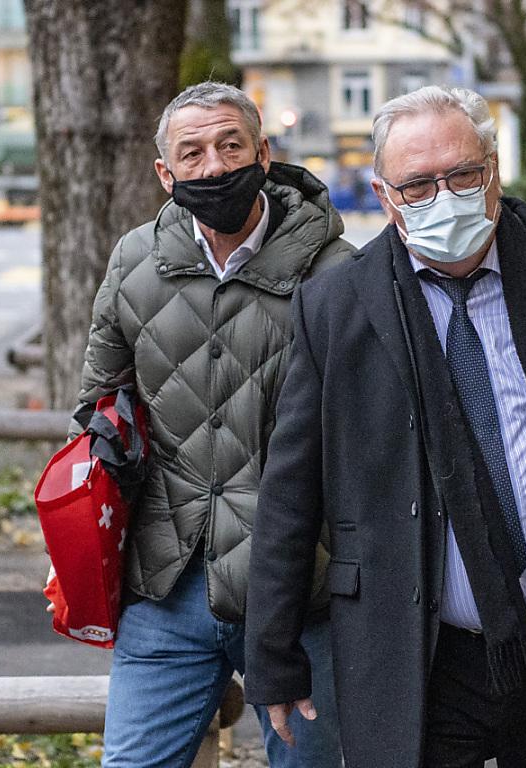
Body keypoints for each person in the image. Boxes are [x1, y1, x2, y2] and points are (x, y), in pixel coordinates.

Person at [244, 85, 526, 767]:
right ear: (385, 196)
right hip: (420, 658)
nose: (444, 197)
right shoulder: (336, 305)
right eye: (418, 185)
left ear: (494, 170)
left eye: (463, 174)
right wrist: (272, 656)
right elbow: (291, 490)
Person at [66, 81, 354, 768]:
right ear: (165, 174)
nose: (215, 166)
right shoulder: (135, 259)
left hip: (302, 589)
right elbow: (99, 401)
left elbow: (368, 434)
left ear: (263, 153)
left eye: (231, 145)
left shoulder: (337, 271)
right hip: (168, 583)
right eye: (191, 153)